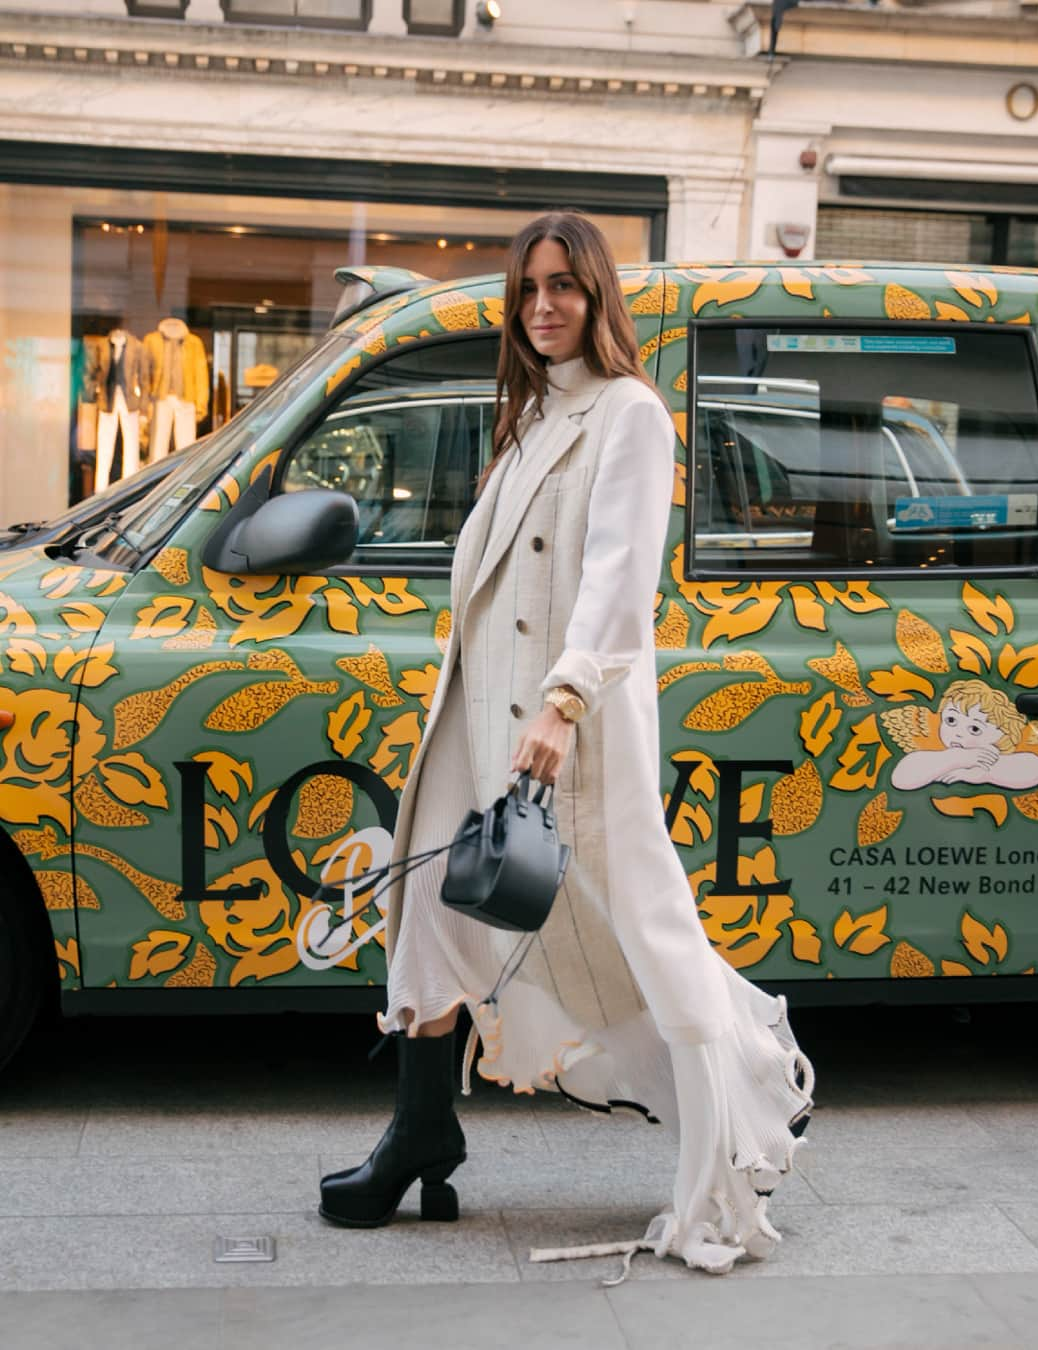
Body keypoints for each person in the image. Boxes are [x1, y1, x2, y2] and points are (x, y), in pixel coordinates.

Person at [319, 210, 813, 1274]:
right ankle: (419, 1134)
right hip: (479, 712)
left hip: (562, 726)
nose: (545, 304)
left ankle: (742, 1122)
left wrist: (566, 698)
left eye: (565, 286)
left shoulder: (629, 414)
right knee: (427, 922)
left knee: (643, 932)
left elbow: (619, 576)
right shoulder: (536, 412)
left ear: (598, 297)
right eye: (530, 287)